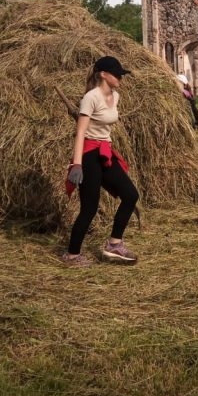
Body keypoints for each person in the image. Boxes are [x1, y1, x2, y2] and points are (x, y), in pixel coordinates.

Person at [63, 56, 140, 266]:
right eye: (116, 74)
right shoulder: (91, 97)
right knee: (89, 207)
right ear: (104, 75)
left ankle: (114, 245)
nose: (120, 78)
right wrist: (76, 164)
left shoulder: (115, 97)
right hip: (88, 154)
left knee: (130, 194)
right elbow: (80, 133)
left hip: (105, 152)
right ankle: (72, 255)